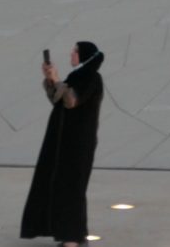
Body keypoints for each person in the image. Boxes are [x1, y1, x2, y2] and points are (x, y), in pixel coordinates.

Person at [21, 41, 104, 247]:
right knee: (60, 185)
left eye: (75, 51)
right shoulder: (77, 75)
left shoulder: (92, 78)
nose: (72, 54)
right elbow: (57, 99)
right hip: (63, 141)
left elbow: (71, 101)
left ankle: (73, 239)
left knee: (72, 187)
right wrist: (50, 80)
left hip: (77, 143)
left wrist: (57, 79)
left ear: (84, 55)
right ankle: (70, 235)